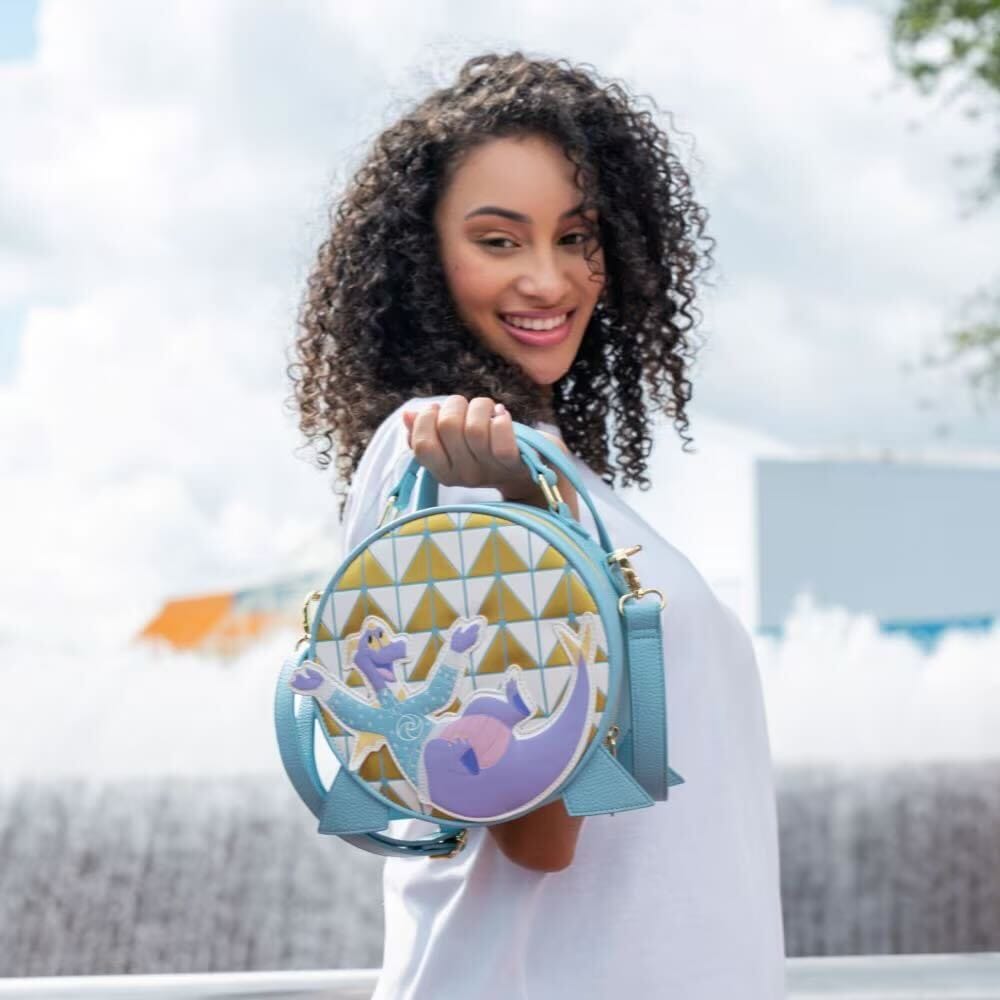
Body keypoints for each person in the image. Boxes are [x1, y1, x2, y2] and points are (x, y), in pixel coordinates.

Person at [289, 50, 786, 1000]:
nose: (551, 280)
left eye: (579, 236)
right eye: (499, 240)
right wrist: (520, 515)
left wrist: (536, 510)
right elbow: (533, 832)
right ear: (421, 258)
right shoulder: (444, 454)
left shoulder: (550, 471)